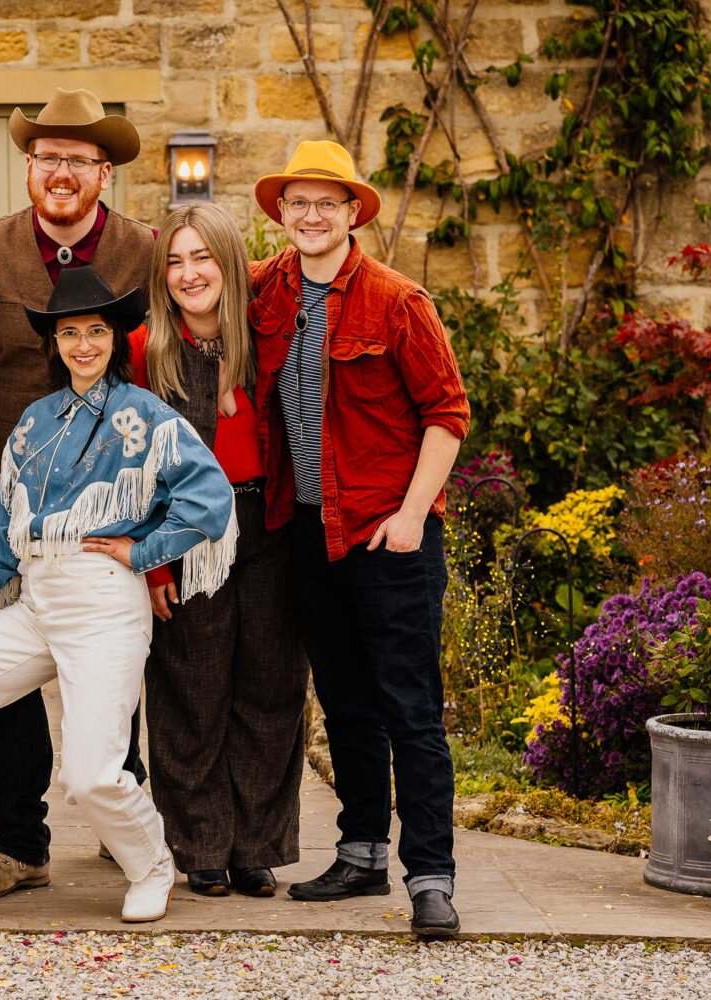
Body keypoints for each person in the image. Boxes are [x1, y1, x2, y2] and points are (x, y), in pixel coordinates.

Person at [0, 265, 237, 925]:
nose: (83, 345)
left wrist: (144, 551)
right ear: (55, 343)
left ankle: (151, 863)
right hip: (37, 603)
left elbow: (209, 501)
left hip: (105, 605)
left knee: (92, 773)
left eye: (96, 331)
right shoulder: (36, 420)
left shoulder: (146, 415)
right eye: (70, 333)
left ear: (115, 338)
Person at [248, 141, 470, 937]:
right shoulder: (264, 291)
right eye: (296, 203)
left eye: (325, 204)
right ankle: (363, 851)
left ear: (352, 213)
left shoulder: (396, 300)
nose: (310, 216)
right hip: (307, 532)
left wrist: (412, 516)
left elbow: (448, 414)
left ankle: (432, 878)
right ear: (280, 213)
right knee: (342, 700)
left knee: (409, 707)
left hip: (390, 535)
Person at [0, 87, 158, 898]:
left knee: (116, 645)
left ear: (104, 171)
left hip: (114, 493)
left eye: (79, 158)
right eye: (49, 157)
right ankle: (20, 837)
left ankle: (122, 813)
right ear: (29, 165)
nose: (62, 171)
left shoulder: (151, 250)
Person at [130, 203, 308, 899]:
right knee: (190, 690)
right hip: (188, 533)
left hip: (269, 521)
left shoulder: (269, 341)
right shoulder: (146, 350)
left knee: (270, 687)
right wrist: (153, 564)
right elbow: (133, 467)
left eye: (202, 256)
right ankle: (201, 844)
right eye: (174, 261)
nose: (188, 272)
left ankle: (254, 846)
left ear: (230, 263)